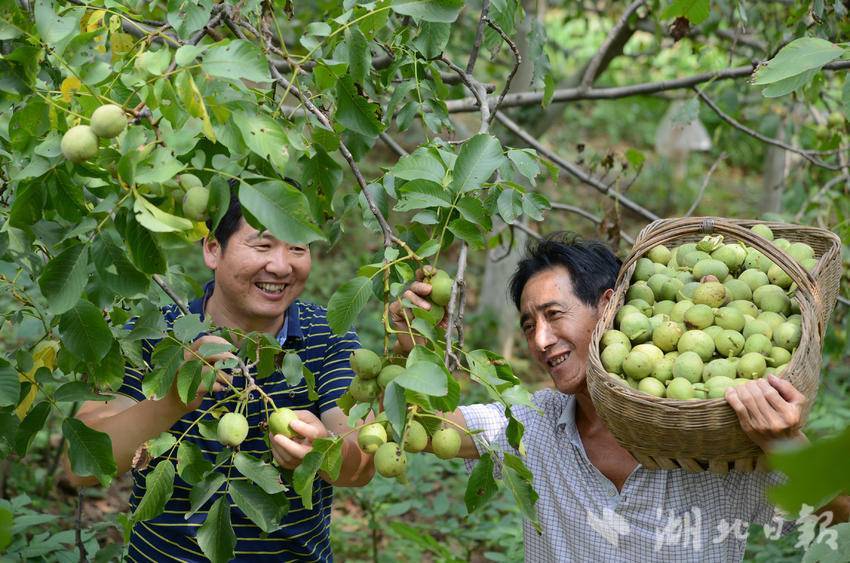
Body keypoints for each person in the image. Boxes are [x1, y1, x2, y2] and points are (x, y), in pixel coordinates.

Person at [391, 232, 849, 562]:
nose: (542, 339)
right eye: (529, 325)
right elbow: (430, 426)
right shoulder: (534, 422)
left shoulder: (717, 435)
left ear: (609, 306)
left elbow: (841, 509)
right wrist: (412, 341)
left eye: (554, 315)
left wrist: (784, 441)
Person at [64, 187, 373, 562]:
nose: (280, 265)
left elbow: (361, 465)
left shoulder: (329, 334)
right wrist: (173, 399)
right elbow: (81, 466)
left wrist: (321, 450)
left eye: (297, 247)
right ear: (212, 249)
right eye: (262, 245)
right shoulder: (157, 333)